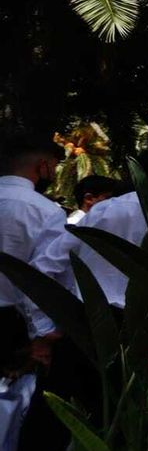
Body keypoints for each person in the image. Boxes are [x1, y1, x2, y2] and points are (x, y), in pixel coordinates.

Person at [20, 139, 148, 451]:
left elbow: (44, 266)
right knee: (134, 440)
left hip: (85, 329)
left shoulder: (109, 208)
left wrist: (43, 327)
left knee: (53, 430)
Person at [0, 132, 67, 376]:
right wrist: (41, 333)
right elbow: (40, 277)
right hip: (10, 323)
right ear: (44, 166)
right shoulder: (47, 212)